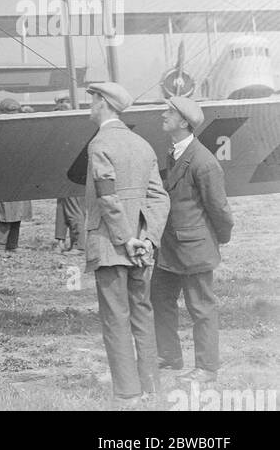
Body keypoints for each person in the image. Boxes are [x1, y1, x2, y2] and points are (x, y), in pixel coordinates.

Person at [84, 81, 170, 405]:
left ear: (103, 102)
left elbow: (107, 197)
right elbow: (160, 198)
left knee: (115, 318)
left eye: (92, 100)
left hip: (111, 247)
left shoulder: (99, 145)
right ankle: (151, 386)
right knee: (142, 314)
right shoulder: (143, 145)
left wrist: (126, 239)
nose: (90, 106)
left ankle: (128, 392)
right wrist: (148, 240)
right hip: (140, 251)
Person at [151, 94, 233, 383]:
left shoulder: (203, 161)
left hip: (194, 249)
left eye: (168, 112)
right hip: (170, 247)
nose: (163, 115)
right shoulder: (173, 152)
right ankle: (169, 356)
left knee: (201, 307)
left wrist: (216, 240)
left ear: (183, 122)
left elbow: (219, 208)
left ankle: (207, 368)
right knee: (160, 299)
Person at [0, 97, 33, 251]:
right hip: (2, 178)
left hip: (18, 176)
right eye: (10, 113)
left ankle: (13, 245)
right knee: (3, 213)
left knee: (17, 212)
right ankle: (0, 246)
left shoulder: (23, 128)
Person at [53, 97, 85, 253]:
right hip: (67, 174)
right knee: (63, 208)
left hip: (73, 176)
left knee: (73, 209)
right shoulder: (75, 129)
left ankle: (79, 244)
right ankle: (62, 241)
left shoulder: (65, 132)